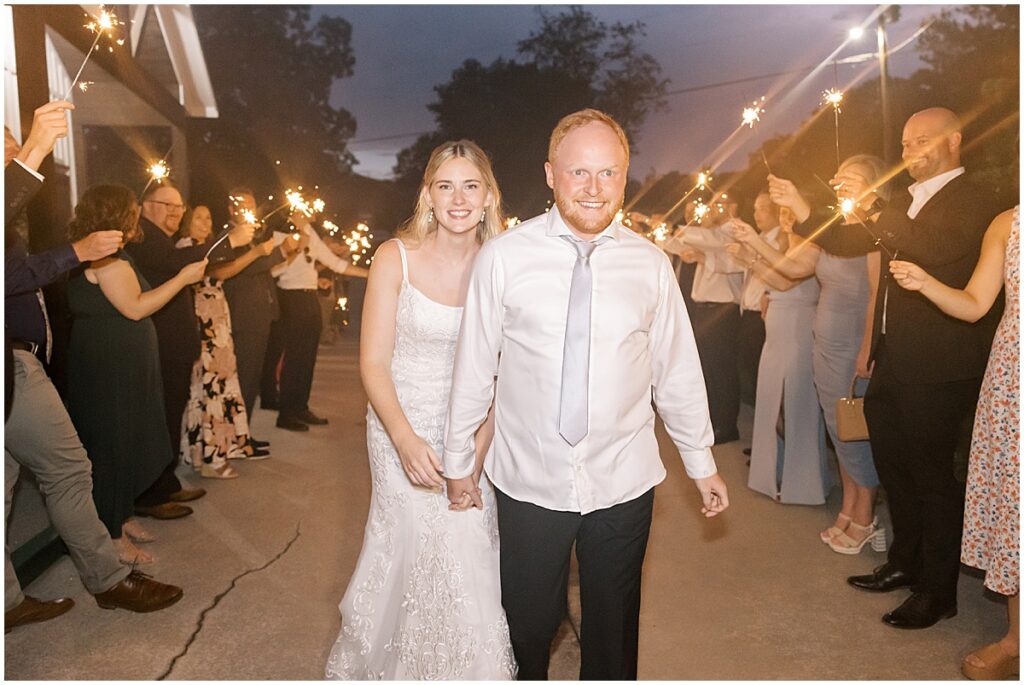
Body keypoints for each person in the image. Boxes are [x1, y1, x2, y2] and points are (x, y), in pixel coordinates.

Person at [442, 109, 728, 680]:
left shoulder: (650, 264)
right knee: (526, 623)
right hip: (528, 477)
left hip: (623, 477)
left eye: (609, 173)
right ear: (551, 174)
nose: (595, 189)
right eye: (579, 173)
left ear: (625, 177)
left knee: (613, 630)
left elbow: (675, 370)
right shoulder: (505, 258)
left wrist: (701, 462)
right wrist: (458, 462)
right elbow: (474, 367)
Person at [325, 140, 515, 679]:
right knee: (406, 546)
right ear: (427, 194)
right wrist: (405, 441)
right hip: (398, 423)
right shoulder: (395, 257)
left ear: (488, 196)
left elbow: (507, 371)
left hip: (476, 427)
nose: (458, 198)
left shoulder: (503, 262)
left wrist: (480, 445)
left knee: (469, 548)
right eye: (445, 185)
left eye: (470, 186)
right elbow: (373, 363)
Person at [5, 102, 183, 632]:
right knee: (68, 468)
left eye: (15, 141)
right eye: (5, 141)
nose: (13, 147)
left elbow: (16, 273)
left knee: (42, 477)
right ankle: (106, 581)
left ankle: (13, 601)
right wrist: (36, 151)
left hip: (19, 362)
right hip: (10, 365)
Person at [849, 107, 1001, 629]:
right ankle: (902, 563)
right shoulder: (899, 202)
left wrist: (879, 209)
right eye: (905, 143)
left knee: (933, 476)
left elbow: (938, 249)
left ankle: (939, 592)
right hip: (894, 358)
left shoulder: (977, 197)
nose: (909, 151)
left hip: (941, 364)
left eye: (922, 141)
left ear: (955, 141)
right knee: (894, 467)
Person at [890, 206, 1018, 676]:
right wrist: (926, 283)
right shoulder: (1006, 222)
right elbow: (976, 303)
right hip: (1014, 383)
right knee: (1015, 505)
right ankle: (1014, 639)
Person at [748, 155, 889, 553]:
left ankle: (866, 516)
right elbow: (789, 271)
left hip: (853, 347)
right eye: (838, 176)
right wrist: (751, 242)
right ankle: (848, 506)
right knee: (837, 428)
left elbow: (876, 297)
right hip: (823, 346)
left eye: (852, 178)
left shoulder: (874, 233)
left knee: (855, 431)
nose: (841, 183)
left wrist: (867, 349)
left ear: (874, 187)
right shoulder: (831, 233)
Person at [66, 185, 208, 564]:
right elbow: (135, 307)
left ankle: (122, 516)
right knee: (112, 445)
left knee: (128, 440)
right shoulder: (107, 259)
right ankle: (110, 535)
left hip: (124, 361)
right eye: (132, 211)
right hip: (111, 365)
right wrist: (183, 277)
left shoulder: (113, 254)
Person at [126, 183, 254, 518]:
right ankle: (151, 495)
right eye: (166, 205)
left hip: (175, 342)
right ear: (144, 205)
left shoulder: (159, 237)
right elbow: (175, 261)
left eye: (178, 206)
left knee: (172, 415)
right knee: (162, 416)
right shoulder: (144, 236)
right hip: (163, 343)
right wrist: (230, 241)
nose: (174, 211)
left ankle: (165, 483)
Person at [728, 207, 829, 504]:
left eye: (789, 213)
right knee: (773, 403)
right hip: (776, 335)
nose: (785, 219)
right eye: (781, 213)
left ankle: (801, 480)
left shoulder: (810, 246)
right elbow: (775, 284)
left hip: (797, 332)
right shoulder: (785, 246)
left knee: (794, 405)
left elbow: (786, 281)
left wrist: (750, 257)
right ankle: (775, 472)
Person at [176, 204, 275, 479]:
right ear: (187, 221)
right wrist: (255, 252)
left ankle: (216, 451)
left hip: (217, 321)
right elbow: (220, 273)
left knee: (218, 388)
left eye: (209, 217)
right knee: (209, 388)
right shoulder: (188, 247)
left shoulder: (205, 246)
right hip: (204, 323)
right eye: (198, 217)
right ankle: (209, 457)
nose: (205, 222)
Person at [269, 213, 367, 432]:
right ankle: (286, 413)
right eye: (300, 211)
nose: (307, 215)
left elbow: (334, 263)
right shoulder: (279, 236)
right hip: (292, 298)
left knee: (308, 357)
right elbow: (274, 270)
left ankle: (300, 406)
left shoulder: (310, 233)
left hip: (310, 296)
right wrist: (295, 248)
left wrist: (371, 273)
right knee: (294, 358)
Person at [672, 194, 745, 444]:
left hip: (723, 310)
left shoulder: (732, 231)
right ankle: (713, 420)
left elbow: (714, 247)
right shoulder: (712, 233)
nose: (712, 208)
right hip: (705, 309)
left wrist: (686, 231)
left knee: (722, 370)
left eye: (718, 204)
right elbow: (676, 244)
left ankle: (726, 425)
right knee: (708, 369)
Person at [220, 187, 289, 448]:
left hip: (260, 316)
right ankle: (237, 438)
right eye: (240, 205)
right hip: (244, 318)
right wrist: (276, 253)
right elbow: (238, 269)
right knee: (243, 380)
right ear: (230, 208)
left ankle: (243, 434)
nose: (246, 209)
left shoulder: (251, 235)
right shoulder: (230, 237)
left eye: (250, 204)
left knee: (252, 379)